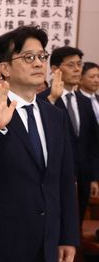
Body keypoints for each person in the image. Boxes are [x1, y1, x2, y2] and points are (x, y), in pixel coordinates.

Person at [0, 26, 79, 262]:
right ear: (4, 68)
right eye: (28, 57)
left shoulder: (55, 116)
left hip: (48, 246)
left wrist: (68, 236)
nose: (38, 63)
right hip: (2, 247)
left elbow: (64, 180)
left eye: (41, 56)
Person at [38, 47, 99, 222]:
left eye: (79, 65)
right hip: (54, 175)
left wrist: (94, 178)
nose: (77, 69)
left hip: (83, 176)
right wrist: (53, 100)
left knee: (76, 223)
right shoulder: (43, 100)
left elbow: (92, 143)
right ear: (56, 69)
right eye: (71, 65)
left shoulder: (85, 101)